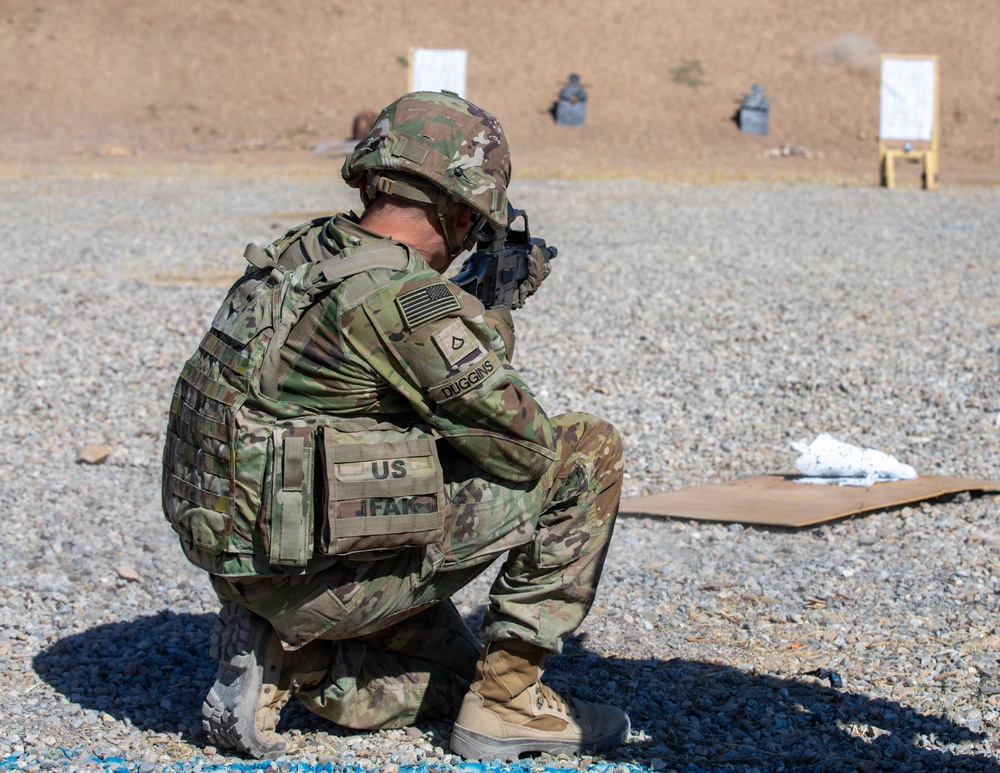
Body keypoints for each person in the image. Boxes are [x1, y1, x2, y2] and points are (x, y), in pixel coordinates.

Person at [161, 91, 629, 762]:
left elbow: (370, 382)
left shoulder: (303, 251)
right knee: (585, 451)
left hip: (252, 556)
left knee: (451, 676)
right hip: (324, 572)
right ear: (463, 209)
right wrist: (491, 314)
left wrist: (463, 308)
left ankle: (297, 661)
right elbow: (523, 446)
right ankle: (506, 705)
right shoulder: (406, 299)